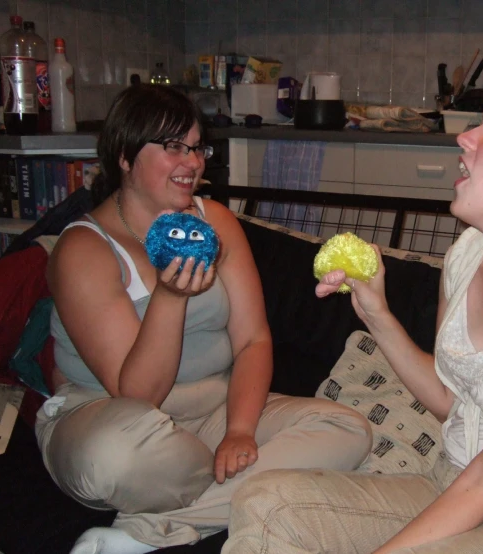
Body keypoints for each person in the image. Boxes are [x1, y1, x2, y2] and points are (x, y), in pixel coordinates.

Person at [220, 77, 483, 554]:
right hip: (451, 481)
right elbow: (452, 400)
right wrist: (377, 312)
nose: (465, 137)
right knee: (266, 502)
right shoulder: (469, 254)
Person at [35, 84, 372, 554]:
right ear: (126, 157)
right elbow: (137, 393)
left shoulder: (216, 221)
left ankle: (147, 529)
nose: (192, 163)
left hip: (212, 413)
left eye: (197, 147)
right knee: (112, 457)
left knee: (347, 429)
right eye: (173, 146)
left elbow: (253, 341)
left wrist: (240, 430)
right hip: (111, 420)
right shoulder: (84, 249)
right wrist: (170, 297)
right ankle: (242, 489)